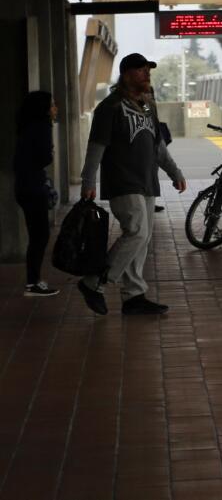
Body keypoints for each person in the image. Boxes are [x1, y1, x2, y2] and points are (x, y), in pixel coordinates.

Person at [79, 53, 186, 316]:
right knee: (136, 232)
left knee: (143, 238)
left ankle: (134, 295)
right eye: (141, 70)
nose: (147, 74)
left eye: (148, 70)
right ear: (126, 74)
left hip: (147, 181)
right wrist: (89, 180)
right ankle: (94, 283)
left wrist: (175, 172)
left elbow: (157, 145)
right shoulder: (110, 107)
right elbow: (96, 147)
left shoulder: (148, 105)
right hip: (122, 181)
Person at [13, 91, 60, 297]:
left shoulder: (26, 127)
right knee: (40, 236)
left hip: (23, 187)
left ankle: (33, 280)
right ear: (43, 108)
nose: (55, 108)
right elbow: (44, 158)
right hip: (34, 188)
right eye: (51, 104)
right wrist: (50, 152)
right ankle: (33, 283)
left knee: (36, 235)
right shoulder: (42, 127)